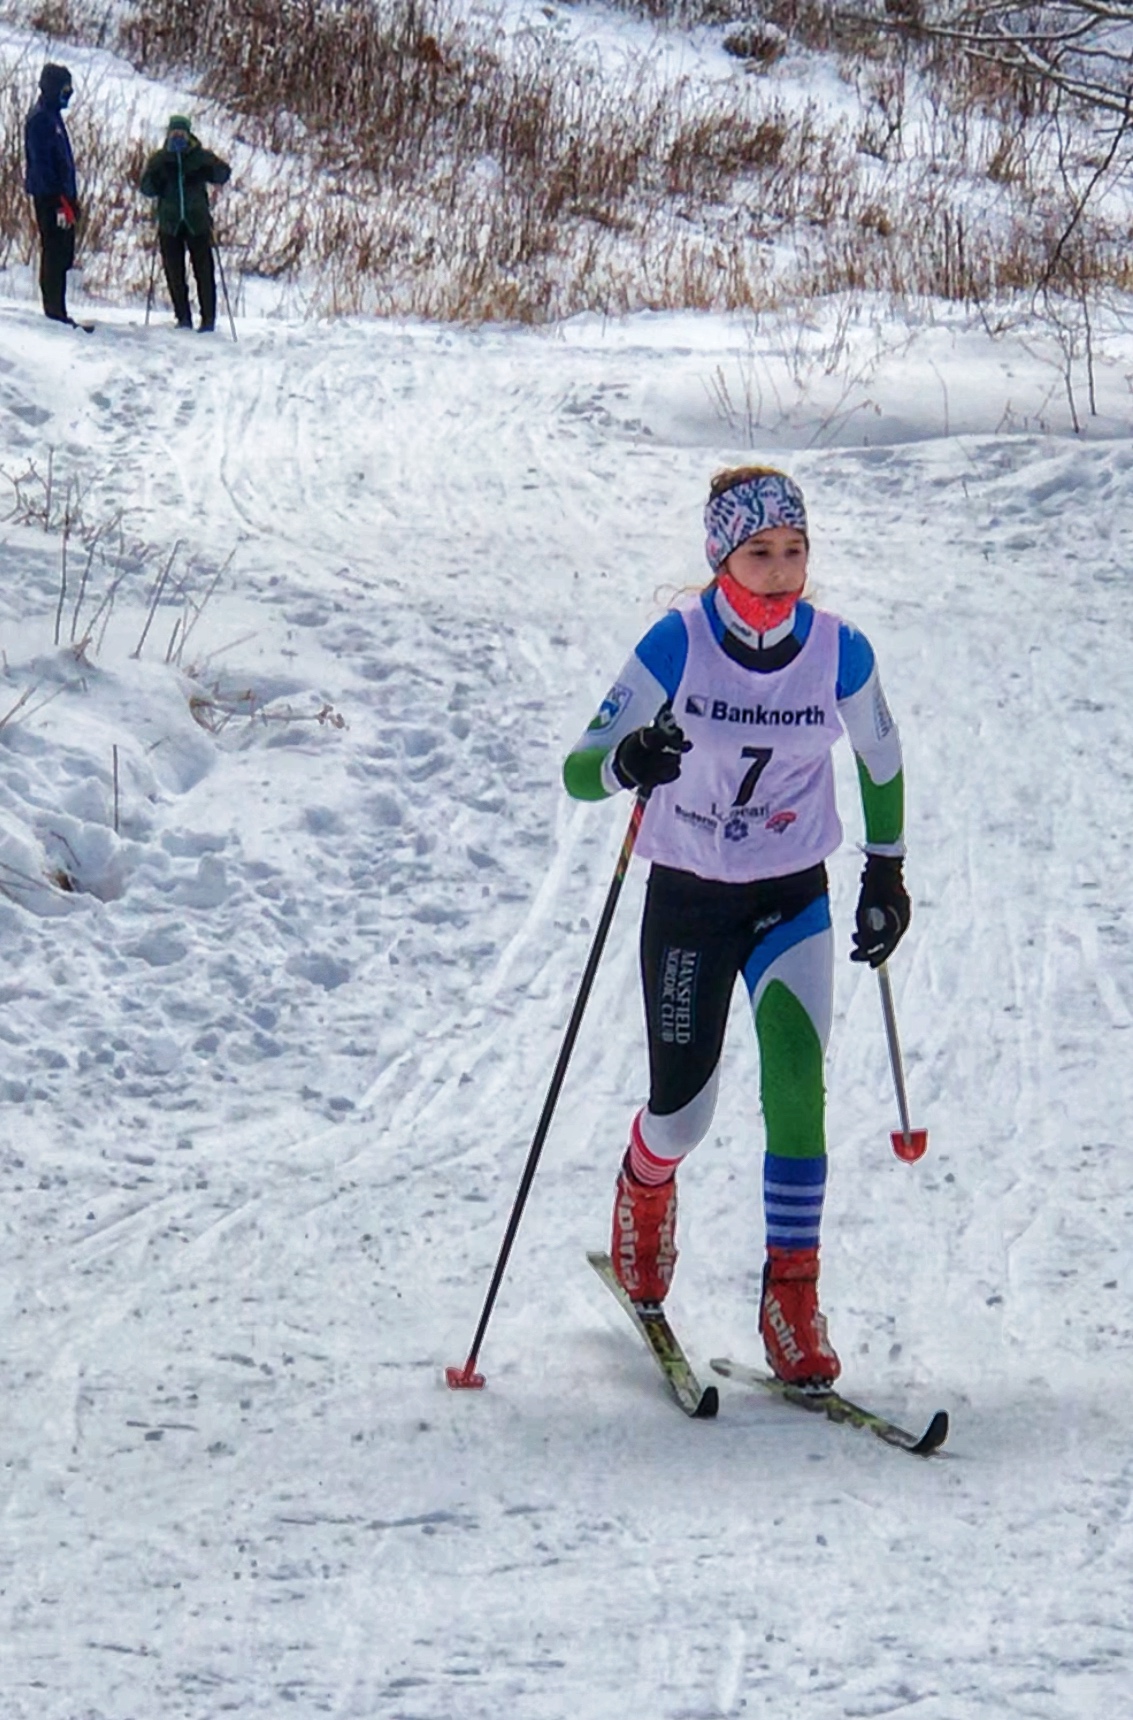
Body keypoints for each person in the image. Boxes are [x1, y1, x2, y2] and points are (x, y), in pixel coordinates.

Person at [563, 466, 910, 1387]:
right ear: (721, 557)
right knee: (682, 1116)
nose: (781, 569)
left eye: (795, 550)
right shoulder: (677, 643)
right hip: (688, 897)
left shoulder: (838, 650)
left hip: (789, 897)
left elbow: (880, 755)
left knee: (797, 1084)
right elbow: (579, 769)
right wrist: (630, 758)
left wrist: (885, 868)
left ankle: (791, 1299)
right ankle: (643, 1187)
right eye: (760, 552)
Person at [139, 117, 231, 332]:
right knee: (174, 273)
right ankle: (183, 318)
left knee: (204, 271)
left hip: (197, 222)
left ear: (189, 135)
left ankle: (208, 319)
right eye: (174, 134)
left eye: (181, 134)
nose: (177, 138)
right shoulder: (160, 159)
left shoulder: (200, 156)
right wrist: (157, 179)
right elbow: (146, 188)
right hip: (170, 223)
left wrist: (208, 171)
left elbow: (223, 173)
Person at [24, 64, 80, 325]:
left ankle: (59, 308)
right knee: (54, 251)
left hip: (62, 196)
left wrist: (71, 197)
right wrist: (59, 199)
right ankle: (54, 311)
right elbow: (42, 164)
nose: (68, 94)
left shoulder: (54, 117)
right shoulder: (40, 119)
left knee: (64, 251)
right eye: (65, 89)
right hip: (50, 197)